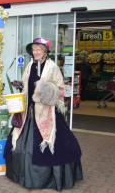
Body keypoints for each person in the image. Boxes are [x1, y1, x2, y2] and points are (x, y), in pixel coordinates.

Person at [4, 38, 83, 191]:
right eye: (34, 49)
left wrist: (47, 91)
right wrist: (20, 84)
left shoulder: (52, 67)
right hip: (29, 111)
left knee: (56, 143)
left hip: (47, 111)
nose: (36, 52)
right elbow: (26, 83)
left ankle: (50, 179)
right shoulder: (29, 65)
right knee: (19, 141)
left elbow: (61, 88)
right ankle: (23, 175)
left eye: (39, 49)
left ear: (45, 51)